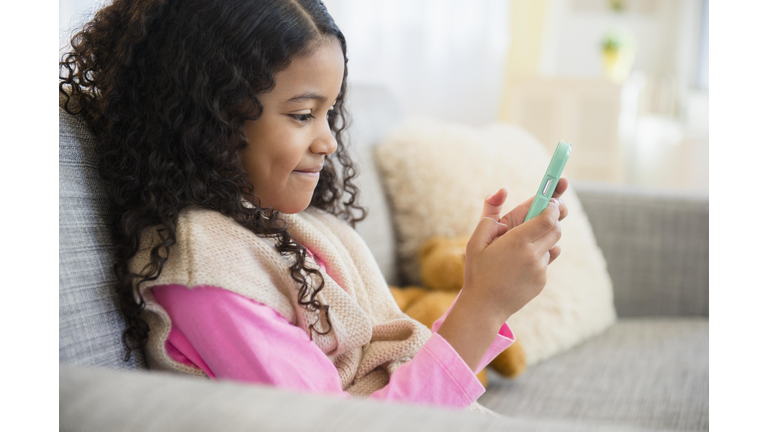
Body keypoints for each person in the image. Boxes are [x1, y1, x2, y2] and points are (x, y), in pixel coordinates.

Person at [60, 0, 569, 413]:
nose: (329, 141)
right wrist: (483, 305)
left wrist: (482, 285)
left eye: (330, 112)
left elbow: (389, 364)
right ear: (208, 120)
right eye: (303, 114)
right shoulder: (206, 277)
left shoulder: (292, 228)